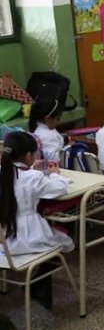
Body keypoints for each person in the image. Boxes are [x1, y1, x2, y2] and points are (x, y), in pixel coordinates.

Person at [0, 131, 74, 309]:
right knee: (67, 242)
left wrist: (32, 169)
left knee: (58, 238)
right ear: (28, 156)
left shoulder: (6, 173)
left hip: (4, 243)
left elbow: (19, 180)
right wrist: (54, 173)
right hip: (28, 235)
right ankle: (37, 284)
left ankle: (38, 285)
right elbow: (59, 189)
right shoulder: (32, 177)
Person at [28, 97, 65, 162]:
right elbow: (53, 160)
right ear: (48, 118)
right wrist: (68, 148)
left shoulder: (36, 129)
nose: (60, 122)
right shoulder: (49, 136)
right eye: (58, 119)